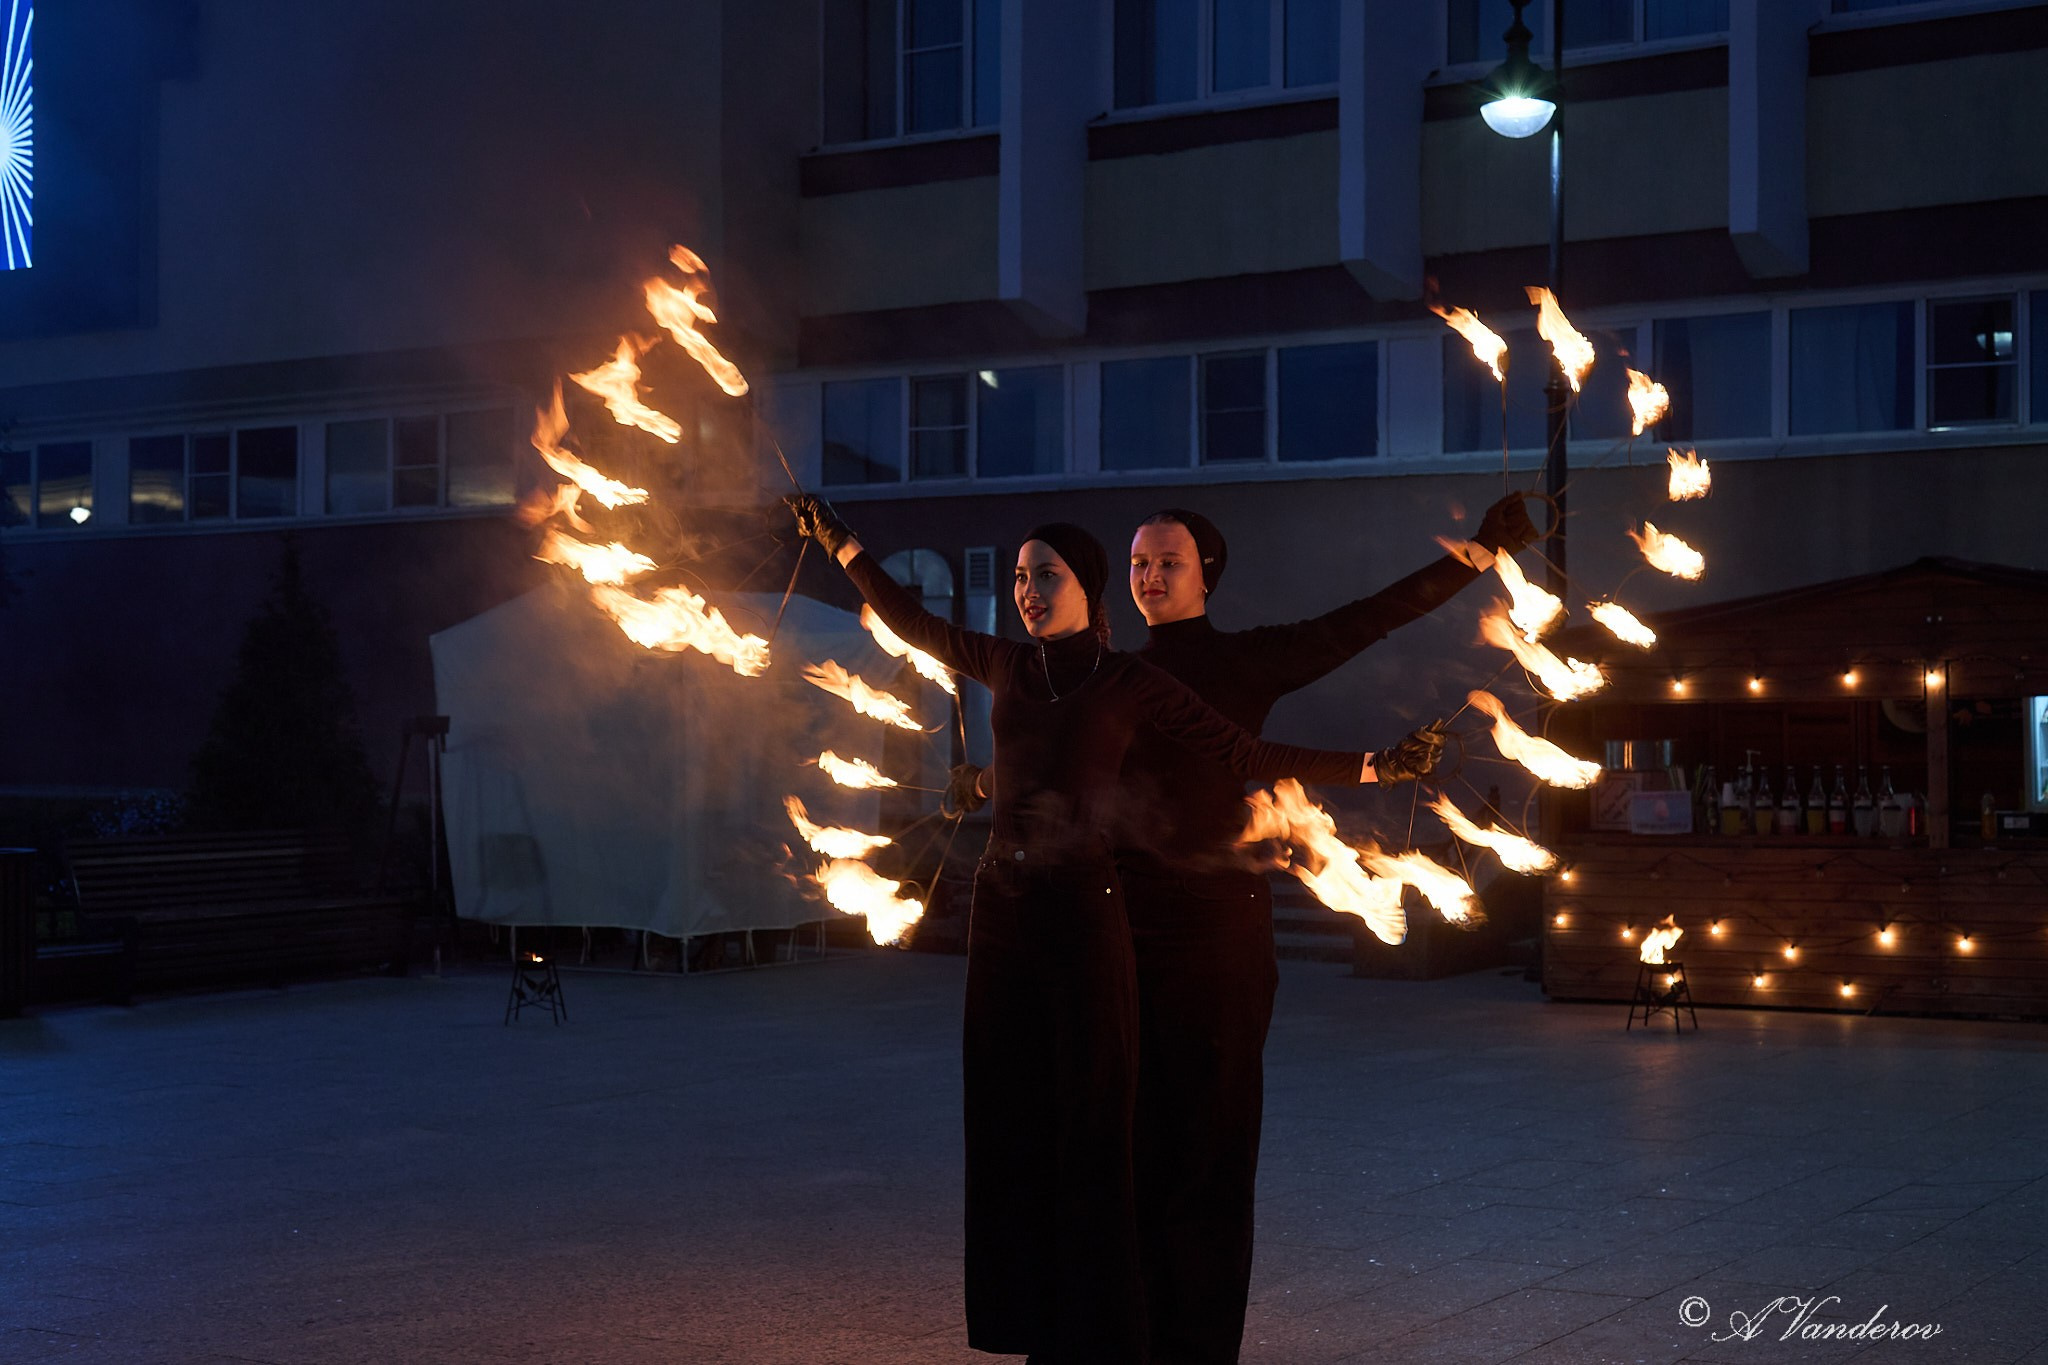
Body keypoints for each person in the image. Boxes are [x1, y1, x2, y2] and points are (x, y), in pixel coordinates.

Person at [782, 495, 1443, 1365]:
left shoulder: (1129, 680)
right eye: (1018, 577)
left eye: (1044, 575)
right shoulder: (1008, 665)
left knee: (1106, 1126)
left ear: (1087, 587)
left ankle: (1123, 1329)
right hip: (1003, 917)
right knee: (1018, 1122)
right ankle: (1046, 1323)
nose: (1026, 589)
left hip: (1097, 916)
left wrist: (1371, 765)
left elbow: (1242, 753)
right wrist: (841, 542)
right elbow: (910, 621)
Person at [952, 491, 1539, 1364]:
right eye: (1140, 562)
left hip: (1213, 934)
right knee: (1105, 1141)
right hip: (1109, 925)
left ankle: (1192, 1345)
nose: (1150, 576)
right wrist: (989, 786)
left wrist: (1480, 555)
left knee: (1204, 1146)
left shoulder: (1253, 661)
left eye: (1170, 562)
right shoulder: (1105, 670)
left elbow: (1366, 620)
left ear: (1207, 575)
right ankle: (1106, 1333)